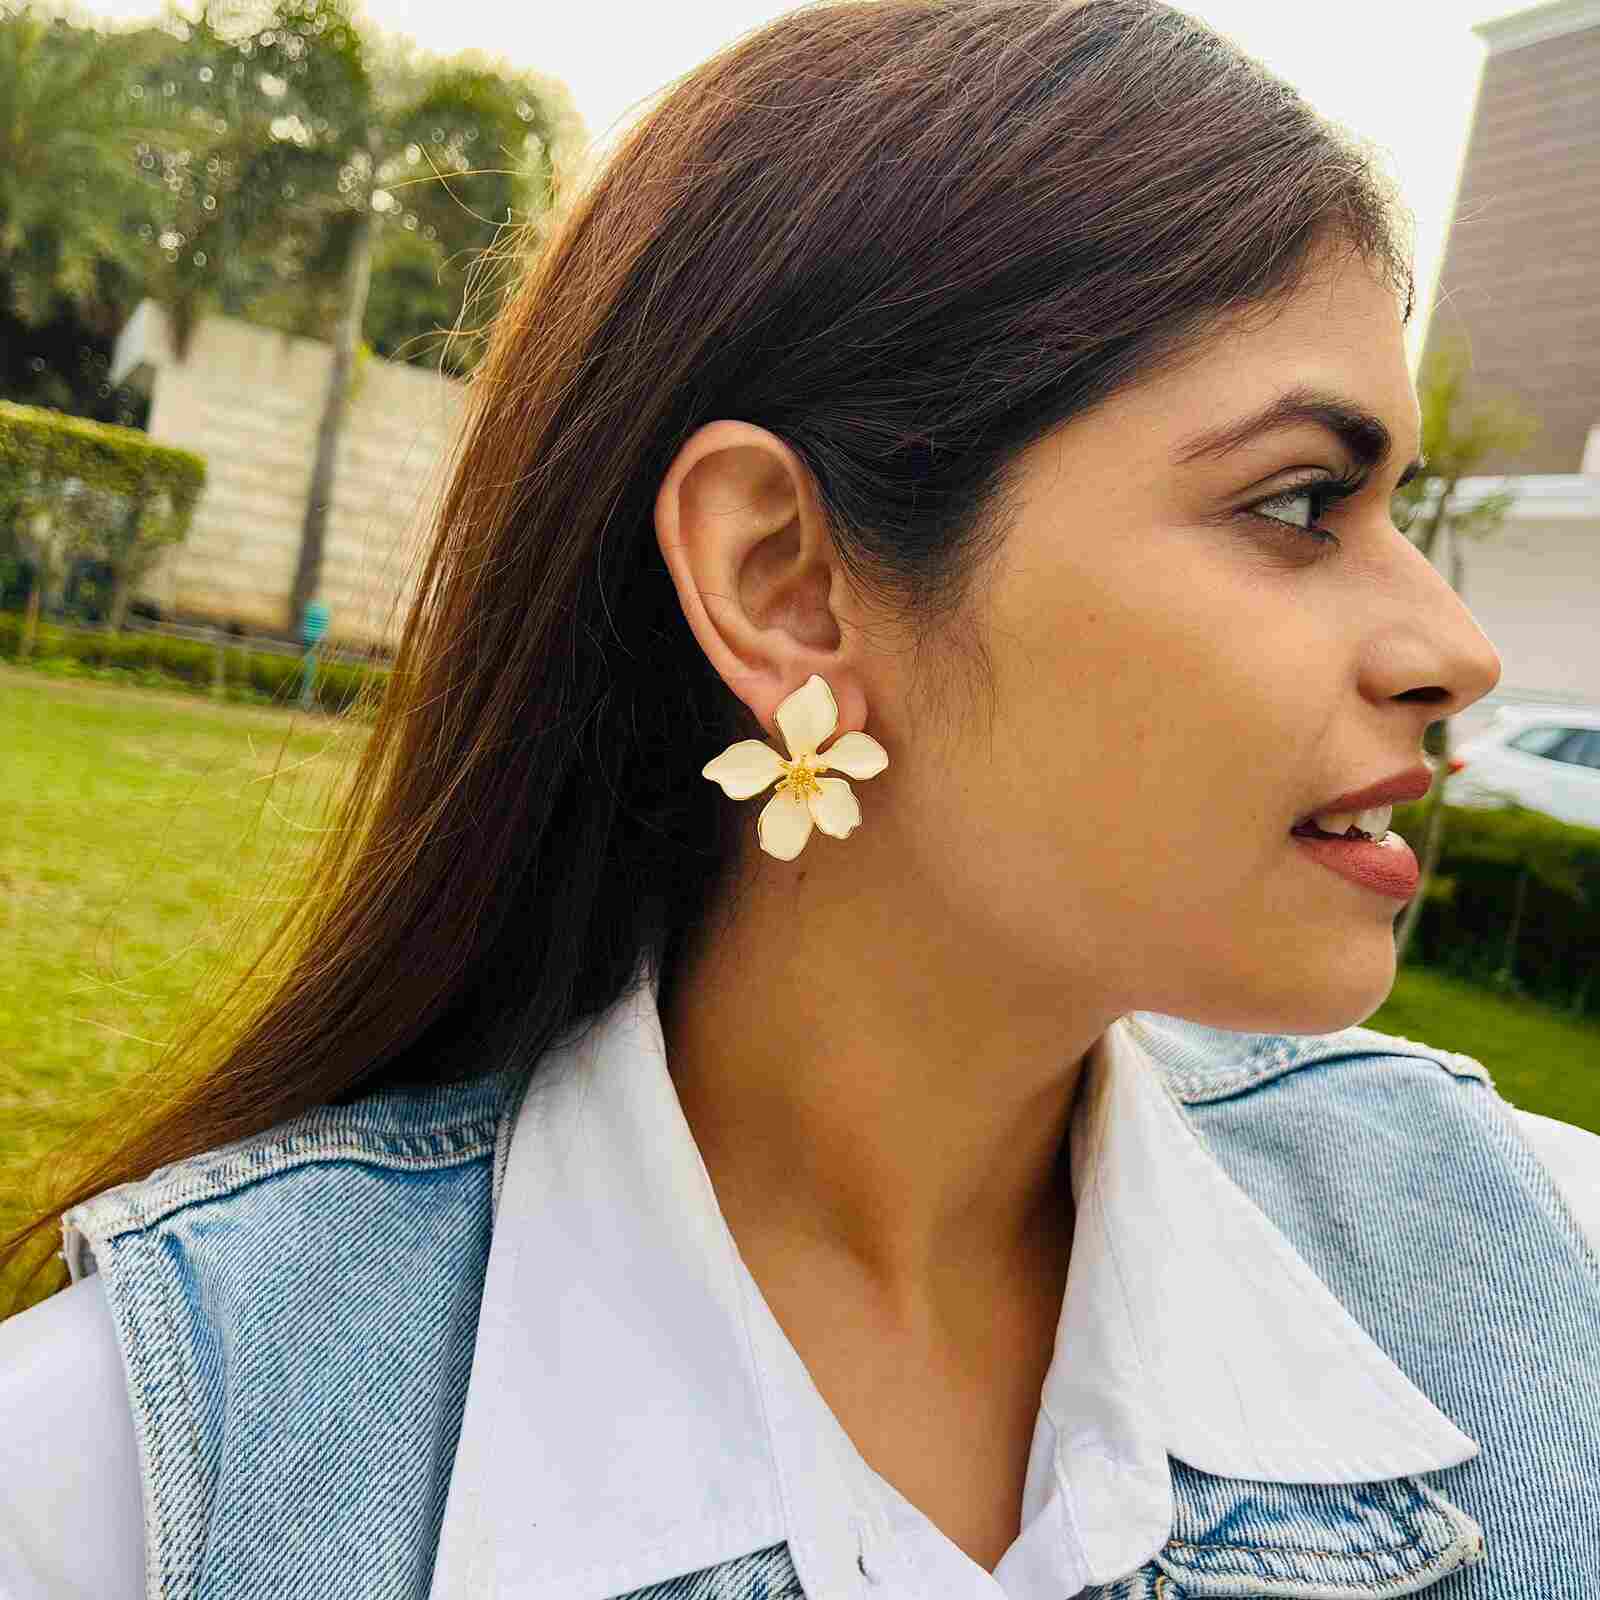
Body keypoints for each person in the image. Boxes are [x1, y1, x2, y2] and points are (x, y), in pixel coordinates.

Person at [3, 1, 1598, 1595]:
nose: (1455, 651)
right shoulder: (128, 1483)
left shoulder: (1542, 1259)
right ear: (785, 583)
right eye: (1302, 504)